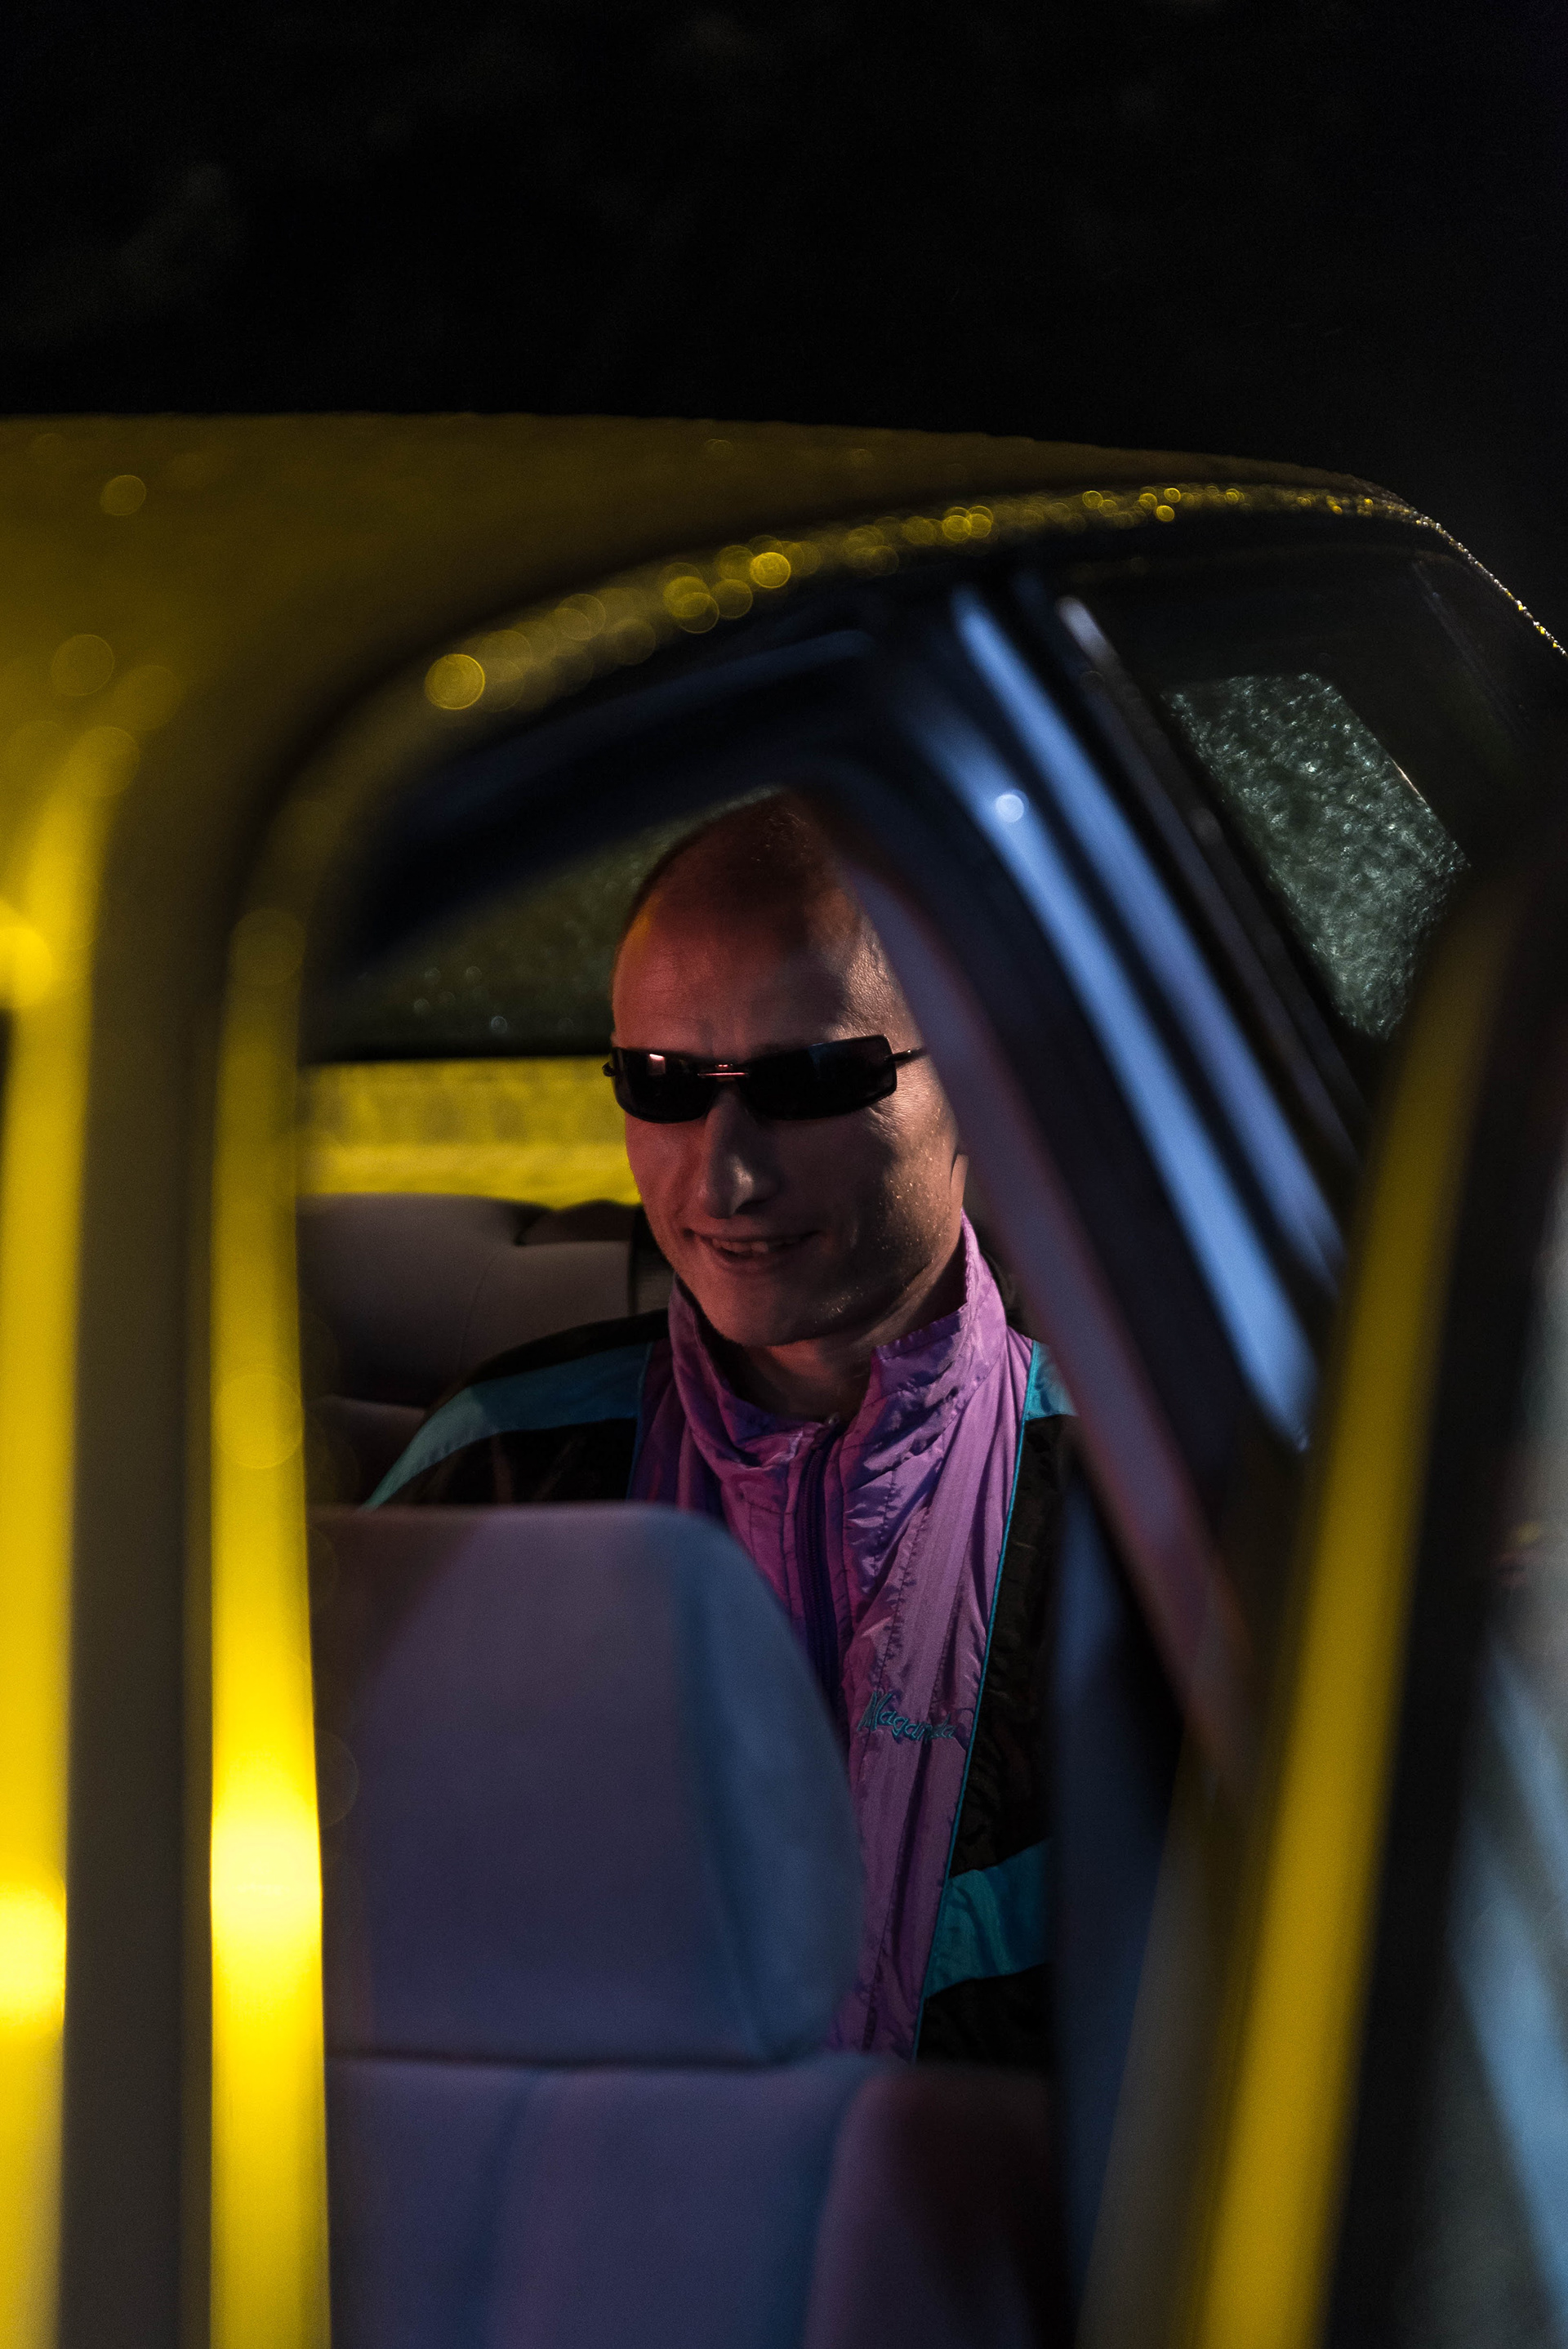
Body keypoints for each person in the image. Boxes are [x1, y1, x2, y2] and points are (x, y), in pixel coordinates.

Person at [368, 796, 1071, 2064]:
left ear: (979, 1077)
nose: (726, 1177)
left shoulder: (1140, 1497)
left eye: (809, 1082)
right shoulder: (491, 1477)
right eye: (662, 1085)